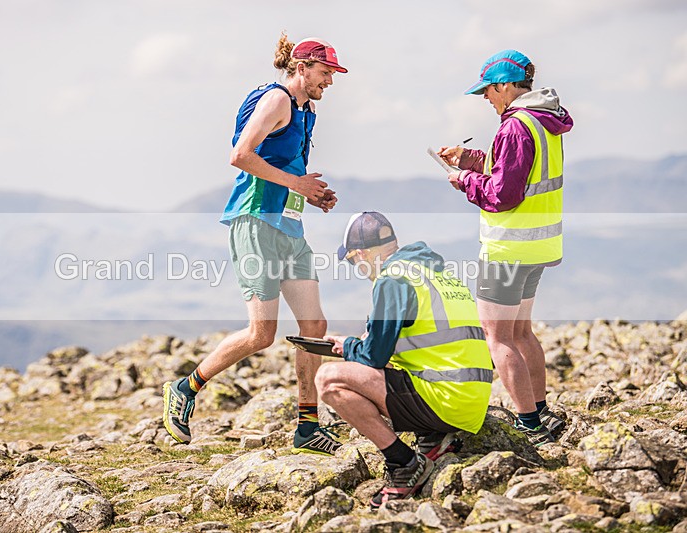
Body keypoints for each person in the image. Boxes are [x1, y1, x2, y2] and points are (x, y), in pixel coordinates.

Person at [163, 33, 347, 455]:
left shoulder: (307, 109)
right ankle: (185, 388)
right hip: (255, 221)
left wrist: (310, 192)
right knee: (262, 334)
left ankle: (307, 426)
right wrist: (295, 182)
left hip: (289, 226)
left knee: (314, 328)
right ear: (302, 68)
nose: (331, 82)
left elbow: (285, 165)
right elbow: (240, 155)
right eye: (326, 73)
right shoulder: (277, 100)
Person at [438, 50, 574, 445]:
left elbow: (503, 193)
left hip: (508, 247)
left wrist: (464, 180)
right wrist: (469, 158)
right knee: (521, 332)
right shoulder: (543, 121)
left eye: (487, 90)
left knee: (496, 336)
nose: (485, 98)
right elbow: (513, 169)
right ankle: (542, 411)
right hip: (539, 245)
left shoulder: (514, 126)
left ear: (504, 85)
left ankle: (529, 425)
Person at [320, 212, 493, 509]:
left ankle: (405, 463)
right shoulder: (436, 273)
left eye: (352, 261)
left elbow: (374, 357)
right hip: (470, 401)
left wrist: (348, 346)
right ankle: (433, 437)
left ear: (361, 254)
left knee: (329, 379)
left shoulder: (393, 279)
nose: (358, 269)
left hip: (447, 400)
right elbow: (428, 341)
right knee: (386, 363)